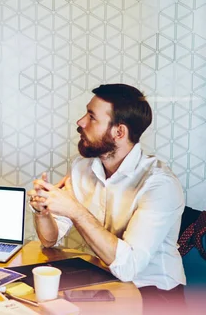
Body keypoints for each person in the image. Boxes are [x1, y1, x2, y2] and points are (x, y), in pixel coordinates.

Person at [29, 83, 186, 311]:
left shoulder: (160, 185)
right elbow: (49, 240)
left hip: (155, 292)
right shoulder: (82, 167)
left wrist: (74, 210)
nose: (80, 122)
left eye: (92, 117)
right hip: (105, 282)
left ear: (119, 132)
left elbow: (129, 266)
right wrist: (42, 211)